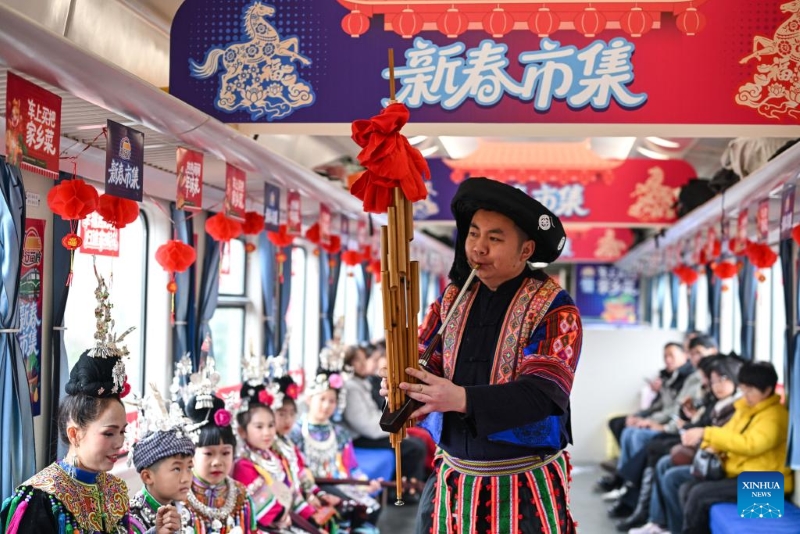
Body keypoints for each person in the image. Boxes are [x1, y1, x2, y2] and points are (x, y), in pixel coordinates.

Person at [383, 177, 582, 533]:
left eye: (495, 238)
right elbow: (426, 362)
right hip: (453, 483)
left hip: (523, 487)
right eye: (473, 234)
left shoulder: (555, 308)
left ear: (526, 251)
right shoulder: (450, 300)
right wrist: (403, 385)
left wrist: (459, 397)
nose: (478, 248)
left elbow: (543, 394)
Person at [0, 268, 132, 533]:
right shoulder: (42, 498)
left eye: (122, 432)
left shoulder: (115, 489)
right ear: (75, 433)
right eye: (109, 433)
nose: (119, 442)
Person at [678, 361, 793, 534]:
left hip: (769, 486)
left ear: (768, 390)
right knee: (686, 488)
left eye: (750, 390)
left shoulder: (776, 416)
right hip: (742, 476)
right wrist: (710, 445)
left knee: (698, 494)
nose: (745, 395)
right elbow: (727, 433)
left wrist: (707, 433)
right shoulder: (746, 410)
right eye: (743, 389)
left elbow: (750, 445)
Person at [180, 358, 257, 534]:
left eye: (225, 453)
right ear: (191, 455)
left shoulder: (241, 496)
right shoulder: (179, 497)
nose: (218, 462)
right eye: (208, 453)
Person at [341, 344, 429, 488]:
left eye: (364, 359)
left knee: (418, 443)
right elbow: (363, 423)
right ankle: (403, 490)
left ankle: (413, 484)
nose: (363, 364)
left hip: (372, 432)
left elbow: (374, 414)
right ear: (349, 363)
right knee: (413, 448)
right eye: (358, 360)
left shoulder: (360, 383)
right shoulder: (350, 387)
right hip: (361, 437)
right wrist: (392, 430)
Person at [129, 386, 197, 534]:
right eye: (177, 469)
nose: (186, 478)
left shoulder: (186, 513)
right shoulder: (130, 519)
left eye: (189, 468)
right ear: (147, 476)